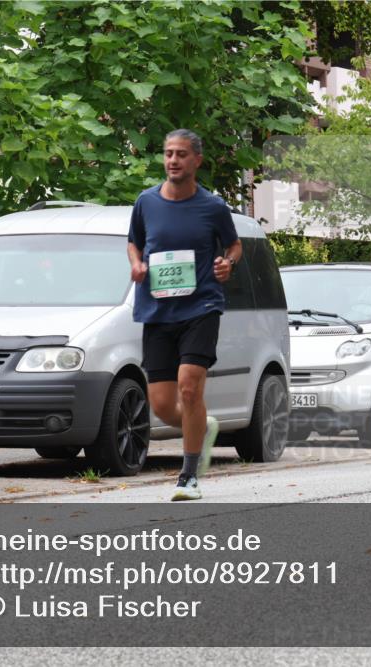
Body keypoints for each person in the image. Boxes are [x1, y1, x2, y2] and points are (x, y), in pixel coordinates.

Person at [128, 129, 242, 499]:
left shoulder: (212, 207)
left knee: (189, 386)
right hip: (158, 311)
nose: (173, 160)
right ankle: (201, 428)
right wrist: (136, 265)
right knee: (161, 405)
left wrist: (227, 263)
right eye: (168, 153)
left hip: (201, 306)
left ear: (197, 161)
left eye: (180, 154)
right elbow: (135, 243)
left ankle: (188, 476)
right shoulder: (146, 202)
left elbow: (234, 245)